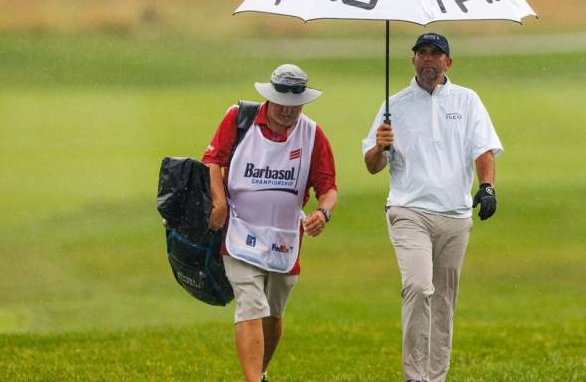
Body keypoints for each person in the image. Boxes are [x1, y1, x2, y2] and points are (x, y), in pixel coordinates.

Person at [362, 33, 501, 382]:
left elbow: (482, 149)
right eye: (422, 53)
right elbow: (372, 165)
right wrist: (380, 147)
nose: (428, 59)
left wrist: (486, 188)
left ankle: (435, 376)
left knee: (443, 301)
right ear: (413, 61)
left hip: (455, 215)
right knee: (419, 287)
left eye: (436, 54)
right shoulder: (395, 105)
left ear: (448, 62)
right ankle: (415, 376)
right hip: (409, 210)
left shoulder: (467, 100)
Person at [203, 64, 338, 382]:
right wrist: (220, 202)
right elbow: (212, 160)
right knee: (251, 304)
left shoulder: (312, 134)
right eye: (281, 104)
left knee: (273, 313)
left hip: (285, 237)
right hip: (238, 230)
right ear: (269, 97)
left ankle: (261, 371)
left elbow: (328, 188)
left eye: (295, 106)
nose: (287, 112)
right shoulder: (239, 119)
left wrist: (324, 212)